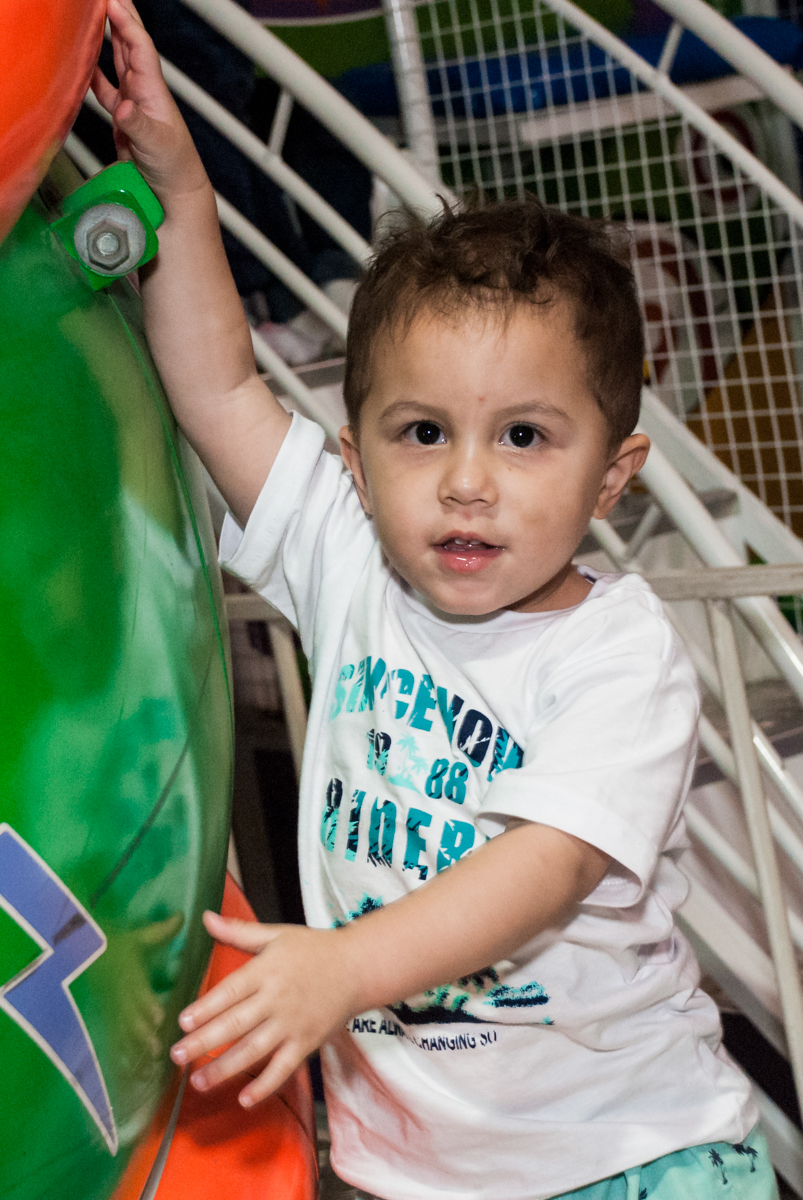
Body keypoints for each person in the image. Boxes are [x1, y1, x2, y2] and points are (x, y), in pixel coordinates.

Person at [93, 4, 776, 1197]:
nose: (466, 481)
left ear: (611, 474)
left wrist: (342, 970)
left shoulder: (619, 652)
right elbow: (214, 385)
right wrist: (185, 191)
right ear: (353, 460)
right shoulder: (348, 556)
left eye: (522, 436)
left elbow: (542, 869)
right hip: (414, 1170)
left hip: (629, 1155)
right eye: (420, 434)